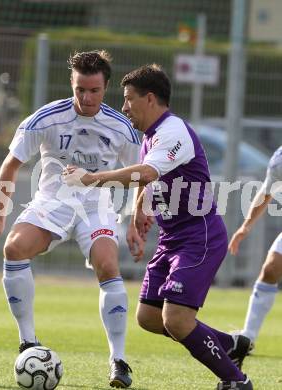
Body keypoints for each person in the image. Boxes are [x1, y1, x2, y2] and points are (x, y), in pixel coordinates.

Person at [63, 64, 254, 390]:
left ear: (150, 99)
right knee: (148, 318)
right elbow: (147, 176)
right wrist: (138, 214)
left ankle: (236, 381)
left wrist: (94, 179)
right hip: (172, 239)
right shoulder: (151, 137)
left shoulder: (173, 131)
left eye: (128, 99)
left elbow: (148, 173)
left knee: (176, 320)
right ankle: (228, 345)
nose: (124, 107)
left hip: (200, 237)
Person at [0, 50, 140, 388]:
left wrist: (138, 218)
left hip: (96, 205)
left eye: (94, 90)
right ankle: (28, 342)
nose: (86, 97)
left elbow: (141, 175)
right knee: (14, 248)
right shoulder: (46, 118)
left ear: (106, 87)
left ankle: (119, 361)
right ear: (72, 84)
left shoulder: (121, 127)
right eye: (80, 89)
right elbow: (10, 166)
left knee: (108, 266)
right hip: (52, 202)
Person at [228, 145, 282, 348]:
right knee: (271, 270)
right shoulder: (279, 160)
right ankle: (247, 338)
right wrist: (245, 227)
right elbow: (267, 191)